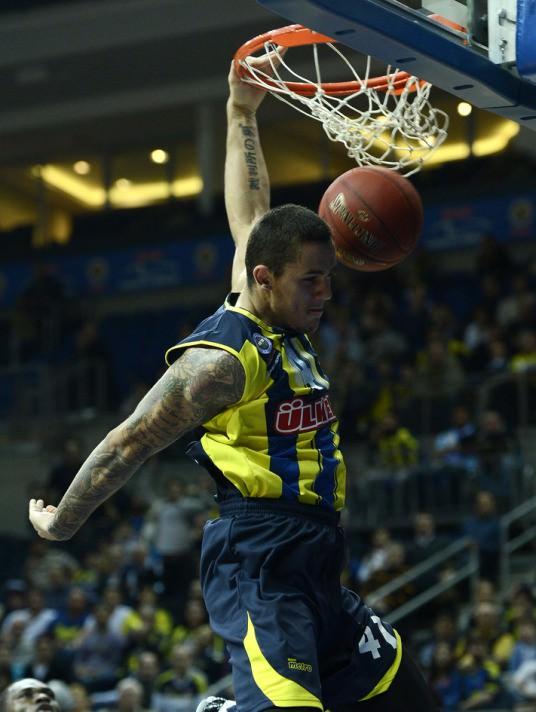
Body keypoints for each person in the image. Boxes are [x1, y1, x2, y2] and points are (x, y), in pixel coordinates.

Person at [28, 55, 438, 712]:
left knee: (410, 698)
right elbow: (131, 441)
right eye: (312, 280)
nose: (326, 293)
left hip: (318, 563)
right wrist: (61, 521)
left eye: (329, 277)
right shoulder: (221, 362)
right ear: (265, 279)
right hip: (260, 565)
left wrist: (240, 110)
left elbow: (251, 215)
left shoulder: (278, 302)